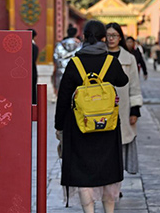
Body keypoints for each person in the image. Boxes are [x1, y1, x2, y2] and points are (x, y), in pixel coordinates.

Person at [55, 20, 128, 213]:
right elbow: (123, 80)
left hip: (80, 126)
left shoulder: (74, 63)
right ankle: (109, 210)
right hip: (107, 126)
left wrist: (59, 126)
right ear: (104, 38)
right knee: (108, 172)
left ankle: (89, 211)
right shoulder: (110, 62)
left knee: (82, 173)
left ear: (84, 38)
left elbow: (63, 97)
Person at [106, 22, 143, 181]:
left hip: (123, 107)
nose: (111, 39)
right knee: (105, 147)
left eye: (114, 35)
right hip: (102, 108)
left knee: (121, 145)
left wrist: (135, 110)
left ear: (120, 37)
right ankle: (108, 180)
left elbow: (134, 85)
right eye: (108, 35)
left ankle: (117, 182)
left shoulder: (129, 59)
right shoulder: (100, 56)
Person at [53, 25, 82, 96]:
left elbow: (55, 57)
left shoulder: (60, 44)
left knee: (62, 93)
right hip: (76, 70)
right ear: (76, 34)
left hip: (61, 70)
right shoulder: (80, 45)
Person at [29, 29, 39, 104]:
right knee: (32, 89)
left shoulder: (23, 46)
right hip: (32, 70)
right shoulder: (34, 47)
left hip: (23, 71)